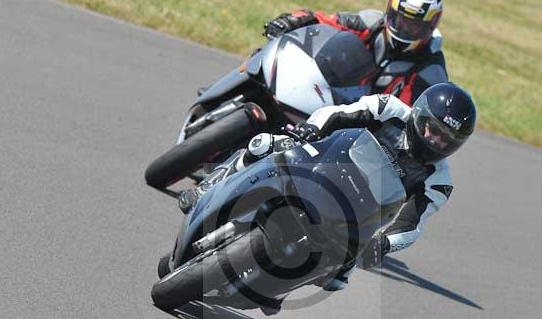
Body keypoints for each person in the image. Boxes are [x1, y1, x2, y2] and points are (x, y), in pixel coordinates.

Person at [179, 82, 477, 293]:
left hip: (354, 216)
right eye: (433, 129)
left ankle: (274, 287)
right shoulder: (389, 109)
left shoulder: (439, 180)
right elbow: (339, 113)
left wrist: (384, 244)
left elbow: (412, 224)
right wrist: (311, 130)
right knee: (265, 145)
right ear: (419, 115)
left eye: (446, 139)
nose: (435, 140)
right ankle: (210, 186)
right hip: (321, 167)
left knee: (338, 278)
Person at [263, 0, 448, 104]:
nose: (404, 28)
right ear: (391, 11)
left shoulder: (431, 70)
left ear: (430, 25)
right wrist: (292, 20)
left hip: (371, 132)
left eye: (414, 25)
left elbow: (411, 119)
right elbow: (324, 20)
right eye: (400, 19)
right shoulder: (372, 23)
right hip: (331, 100)